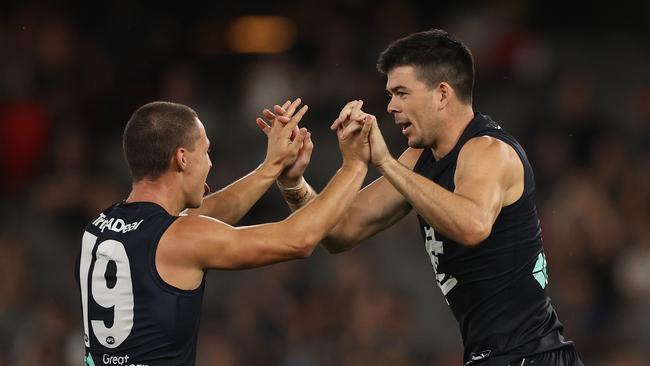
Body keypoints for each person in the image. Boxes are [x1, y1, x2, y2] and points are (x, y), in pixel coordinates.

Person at [263, 29, 583, 365]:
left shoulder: (488, 151)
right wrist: (292, 179)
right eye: (390, 94)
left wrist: (385, 162)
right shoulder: (419, 160)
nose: (391, 106)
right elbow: (340, 231)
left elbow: (472, 225)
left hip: (531, 356)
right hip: (497, 356)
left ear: (442, 94)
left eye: (401, 93)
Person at [76, 100, 372, 366]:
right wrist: (355, 164)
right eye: (205, 151)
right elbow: (298, 240)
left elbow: (205, 215)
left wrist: (272, 167)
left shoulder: (100, 226)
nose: (210, 163)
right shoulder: (179, 238)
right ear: (182, 158)